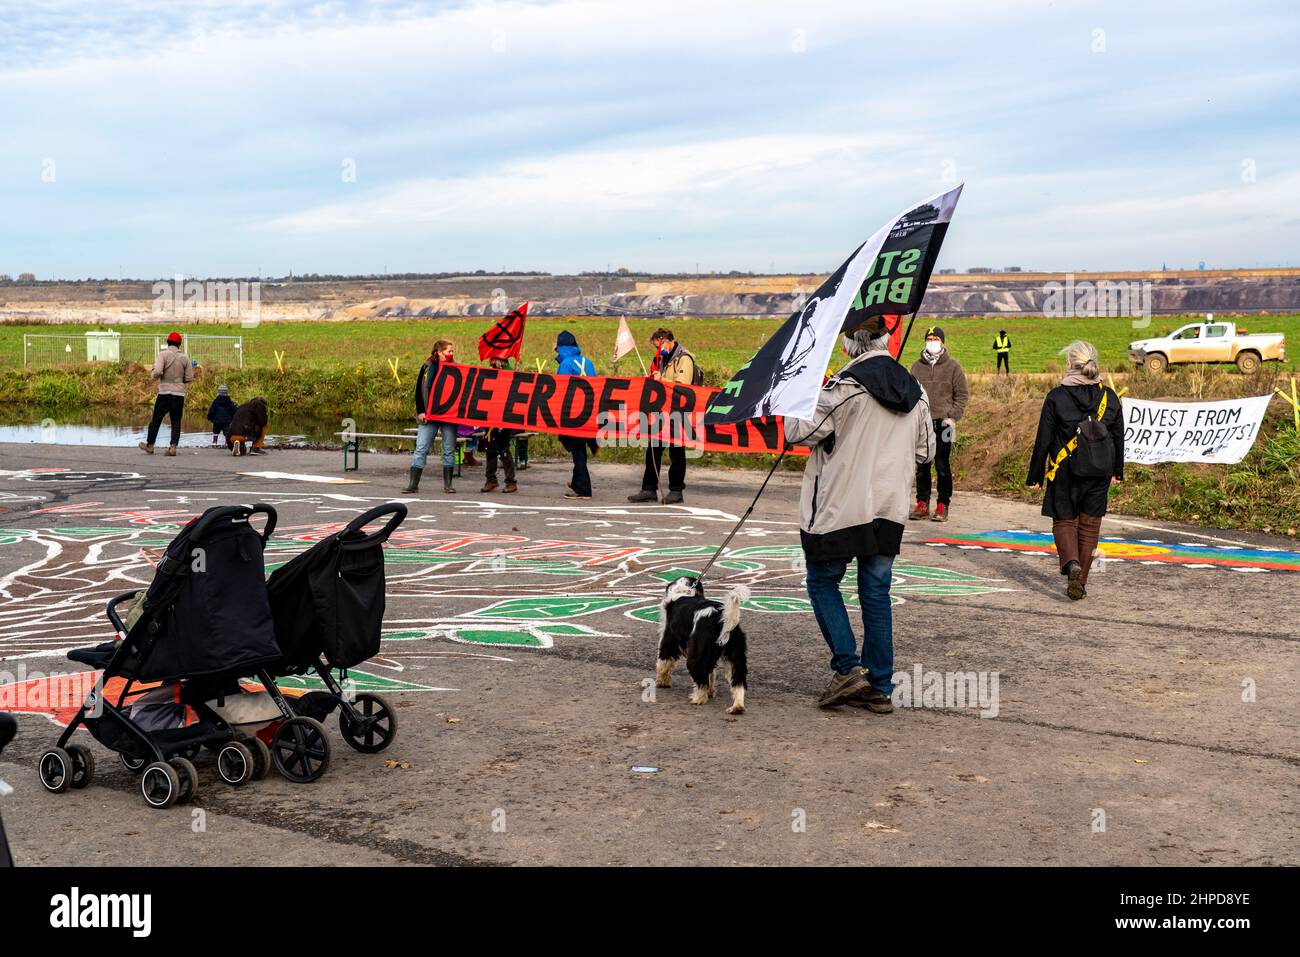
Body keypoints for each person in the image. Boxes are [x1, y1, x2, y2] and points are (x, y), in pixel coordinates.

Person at [784, 317, 935, 712]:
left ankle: (849, 667)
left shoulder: (843, 388)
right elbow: (926, 452)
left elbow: (795, 433)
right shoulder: (916, 391)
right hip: (890, 508)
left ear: (850, 345)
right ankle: (880, 685)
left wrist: (801, 391)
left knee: (821, 582)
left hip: (841, 507)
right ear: (887, 341)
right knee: (876, 593)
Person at [1026, 340, 1124, 601]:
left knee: (1064, 519)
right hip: (1100, 471)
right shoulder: (1110, 397)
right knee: (1090, 526)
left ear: (1070, 364)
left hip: (1065, 469)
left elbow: (1043, 438)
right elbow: (1118, 437)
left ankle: (1071, 565)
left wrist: (1035, 475)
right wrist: (1117, 471)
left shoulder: (1056, 397)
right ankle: (1081, 580)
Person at [628, 328, 699, 505]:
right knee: (653, 449)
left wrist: (662, 380)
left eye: (658, 346)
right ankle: (649, 488)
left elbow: (683, 386)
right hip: (663, 413)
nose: (657, 351)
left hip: (680, 414)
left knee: (677, 453)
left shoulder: (684, 359)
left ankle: (676, 491)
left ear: (667, 341)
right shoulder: (662, 360)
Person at [909, 326, 968, 522]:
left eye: (935, 338)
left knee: (942, 464)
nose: (932, 341)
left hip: (946, 423)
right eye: (929, 338)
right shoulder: (916, 367)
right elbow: (911, 394)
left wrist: (952, 416)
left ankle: (943, 504)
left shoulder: (953, 367)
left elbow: (961, 395)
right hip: (923, 424)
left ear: (942, 342)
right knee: (922, 464)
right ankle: (922, 503)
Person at [405, 339, 459, 494]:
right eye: (449, 351)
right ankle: (413, 484)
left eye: (452, 351)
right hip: (429, 415)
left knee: (448, 449)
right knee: (421, 448)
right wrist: (421, 411)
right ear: (439, 352)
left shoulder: (455, 368)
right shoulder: (427, 367)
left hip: (448, 416)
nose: (451, 354)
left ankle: (448, 485)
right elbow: (418, 391)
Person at [555, 331, 597, 499]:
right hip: (588, 411)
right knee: (579, 448)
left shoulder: (565, 364)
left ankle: (583, 489)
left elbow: (562, 390)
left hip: (573, 413)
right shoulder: (587, 361)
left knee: (577, 449)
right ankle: (576, 482)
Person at [138, 330, 194, 456]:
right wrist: (180, 381)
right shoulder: (185, 357)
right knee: (176, 421)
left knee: (156, 420)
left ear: (168, 342)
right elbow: (190, 377)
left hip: (164, 392)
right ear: (179, 344)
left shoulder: (163, 355)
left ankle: (150, 445)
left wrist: (153, 374)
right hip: (179, 394)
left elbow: (157, 372)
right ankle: (173, 447)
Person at [481, 356, 518, 493]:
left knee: (503, 449)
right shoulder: (490, 372)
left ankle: (511, 481)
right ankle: (490, 479)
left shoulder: (508, 372)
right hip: (490, 416)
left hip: (504, 417)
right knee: (489, 448)